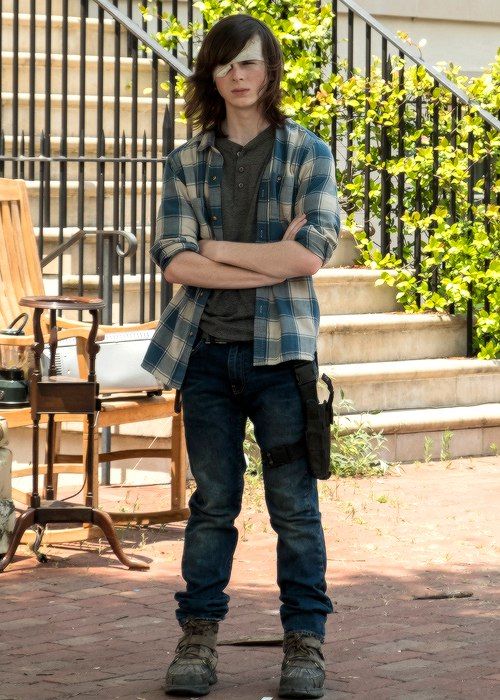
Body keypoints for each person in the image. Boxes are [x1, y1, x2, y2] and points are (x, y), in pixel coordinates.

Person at [142, 13, 340, 699]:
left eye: (250, 63)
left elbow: (311, 251)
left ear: (270, 71)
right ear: (211, 75)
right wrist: (266, 263)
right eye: (226, 64)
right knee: (213, 505)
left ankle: (304, 645)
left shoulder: (308, 153)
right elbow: (175, 263)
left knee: (295, 508)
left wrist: (217, 249)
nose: (238, 75)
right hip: (205, 356)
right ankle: (197, 638)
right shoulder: (186, 160)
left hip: (281, 359)